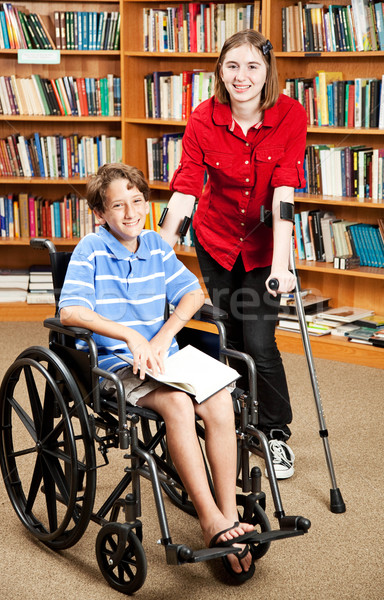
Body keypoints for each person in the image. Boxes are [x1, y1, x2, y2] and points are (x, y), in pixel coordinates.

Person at [58, 163, 255, 580]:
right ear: (100, 213)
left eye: (137, 202)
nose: (130, 213)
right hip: (115, 362)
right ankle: (209, 520)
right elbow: (71, 310)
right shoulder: (90, 249)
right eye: (117, 205)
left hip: (164, 356)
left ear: (147, 204)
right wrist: (131, 336)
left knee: (221, 399)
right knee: (179, 404)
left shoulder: (157, 246)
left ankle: (228, 511)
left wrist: (163, 336)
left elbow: (192, 294)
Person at [159, 30, 307, 480]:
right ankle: (238, 422)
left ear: (267, 72)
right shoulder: (204, 117)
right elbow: (186, 188)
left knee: (261, 341)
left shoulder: (289, 115)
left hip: (265, 246)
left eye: (252, 67)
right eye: (232, 66)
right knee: (228, 335)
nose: (241, 77)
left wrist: (281, 266)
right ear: (220, 71)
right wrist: (158, 256)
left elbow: (284, 194)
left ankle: (274, 434)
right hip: (217, 238)